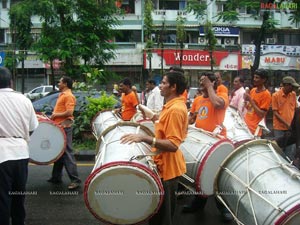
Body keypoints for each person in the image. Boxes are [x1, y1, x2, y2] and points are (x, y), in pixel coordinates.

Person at [120, 71, 188, 225]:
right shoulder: (171, 106)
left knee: (163, 218)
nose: (160, 86)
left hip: (169, 169)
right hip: (163, 166)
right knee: (156, 214)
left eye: (164, 83)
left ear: (173, 87)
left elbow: (173, 145)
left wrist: (143, 138)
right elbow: (163, 123)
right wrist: (150, 115)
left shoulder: (176, 110)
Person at [183, 72, 232, 222]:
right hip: (201, 142)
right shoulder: (198, 99)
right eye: (201, 80)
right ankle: (198, 204)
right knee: (201, 174)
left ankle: (224, 207)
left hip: (217, 144)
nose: (201, 82)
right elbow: (192, 119)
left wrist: (211, 86)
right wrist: (190, 118)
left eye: (205, 81)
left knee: (217, 177)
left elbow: (218, 104)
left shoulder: (221, 93)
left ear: (212, 83)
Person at [0, 67, 39, 225]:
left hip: (2, 155)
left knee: (2, 199)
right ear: (11, 82)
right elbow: (32, 127)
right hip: (21, 153)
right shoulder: (24, 100)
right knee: (18, 197)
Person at [47, 76, 81, 190]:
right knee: (60, 152)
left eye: (60, 82)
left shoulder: (68, 96)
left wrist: (55, 115)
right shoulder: (63, 94)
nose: (58, 83)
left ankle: (75, 180)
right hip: (60, 126)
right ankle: (56, 177)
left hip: (65, 126)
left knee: (66, 152)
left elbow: (69, 112)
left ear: (65, 84)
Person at [272, 76, 299, 160]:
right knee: (279, 150)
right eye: (292, 86)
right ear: (286, 85)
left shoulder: (293, 94)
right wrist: (286, 123)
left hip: (291, 128)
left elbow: (295, 109)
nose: (293, 88)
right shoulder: (275, 95)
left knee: (290, 150)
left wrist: (293, 124)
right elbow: (275, 112)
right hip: (279, 128)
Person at [244, 69, 272, 137]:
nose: (254, 79)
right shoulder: (253, 90)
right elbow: (249, 108)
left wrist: (250, 100)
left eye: (257, 77)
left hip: (255, 130)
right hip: (246, 126)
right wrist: (246, 101)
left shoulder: (266, 94)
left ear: (264, 80)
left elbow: (261, 114)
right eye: (254, 77)